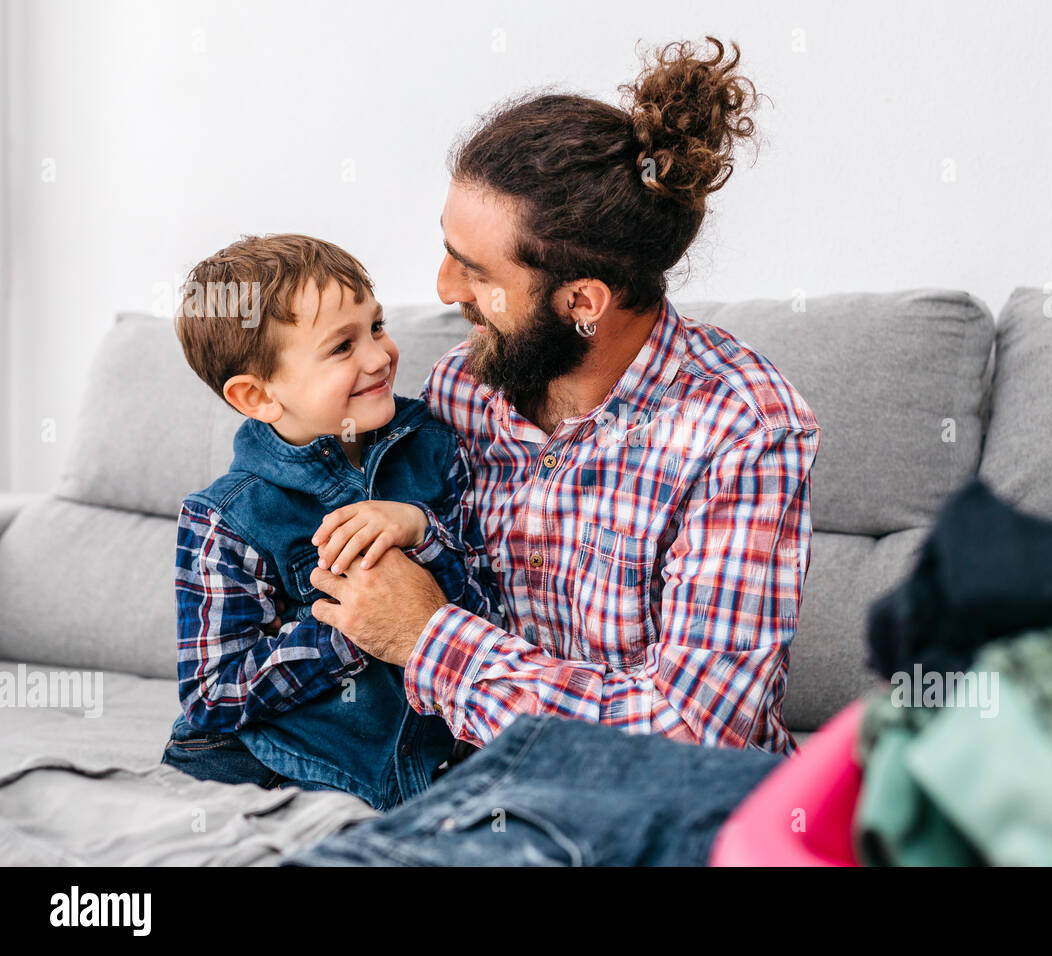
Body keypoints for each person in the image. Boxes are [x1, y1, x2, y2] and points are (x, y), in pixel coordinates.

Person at [306, 36, 822, 754]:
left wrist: (430, 640)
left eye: (474, 270)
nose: (445, 290)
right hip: (476, 797)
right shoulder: (463, 386)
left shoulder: (745, 428)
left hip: (663, 824)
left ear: (582, 300)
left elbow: (695, 736)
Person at [161, 234, 504, 810]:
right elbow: (212, 695)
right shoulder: (224, 519)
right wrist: (357, 628)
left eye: (376, 326)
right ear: (258, 395)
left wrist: (422, 532)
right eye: (342, 347)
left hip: (420, 774)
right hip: (264, 769)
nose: (379, 356)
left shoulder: (438, 447)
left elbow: (494, 605)